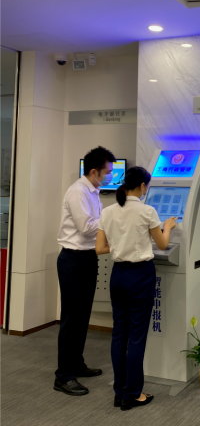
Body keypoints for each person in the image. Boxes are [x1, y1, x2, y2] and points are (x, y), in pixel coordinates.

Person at [95, 167, 176, 412]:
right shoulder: (147, 211)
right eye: (146, 186)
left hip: (118, 275)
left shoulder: (108, 211)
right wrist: (168, 226)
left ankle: (120, 391)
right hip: (140, 276)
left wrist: (121, 244)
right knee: (137, 336)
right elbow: (162, 242)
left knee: (119, 333)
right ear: (142, 186)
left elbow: (99, 248)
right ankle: (133, 394)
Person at [54, 146, 116, 396]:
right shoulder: (78, 191)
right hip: (73, 260)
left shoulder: (93, 191)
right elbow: (87, 228)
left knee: (82, 317)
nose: (110, 176)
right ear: (94, 171)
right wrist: (114, 219)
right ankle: (63, 376)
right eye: (107, 172)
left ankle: (76, 364)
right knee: (72, 318)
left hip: (88, 258)